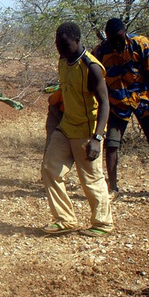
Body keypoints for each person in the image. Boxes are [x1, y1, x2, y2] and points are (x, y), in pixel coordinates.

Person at [41, 22, 113, 238]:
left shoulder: (91, 67)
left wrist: (97, 138)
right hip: (66, 127)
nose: (59, 48)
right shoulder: (63, 61)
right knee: (50, 169)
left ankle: (103, 223)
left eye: (63, 44)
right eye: (57, 44)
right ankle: (65, 220)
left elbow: (105, 103)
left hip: (86, 131)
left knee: (91, 179)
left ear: (77, 40)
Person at [93, 17, 149, 200]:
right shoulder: (100, 52)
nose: (118, 42)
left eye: (120, 38)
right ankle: (113, 189)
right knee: (112, 145)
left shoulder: (140, 44)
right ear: (107, 36)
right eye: (113, 39)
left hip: (143, 99)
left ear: (125, 32)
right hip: (117, 102)